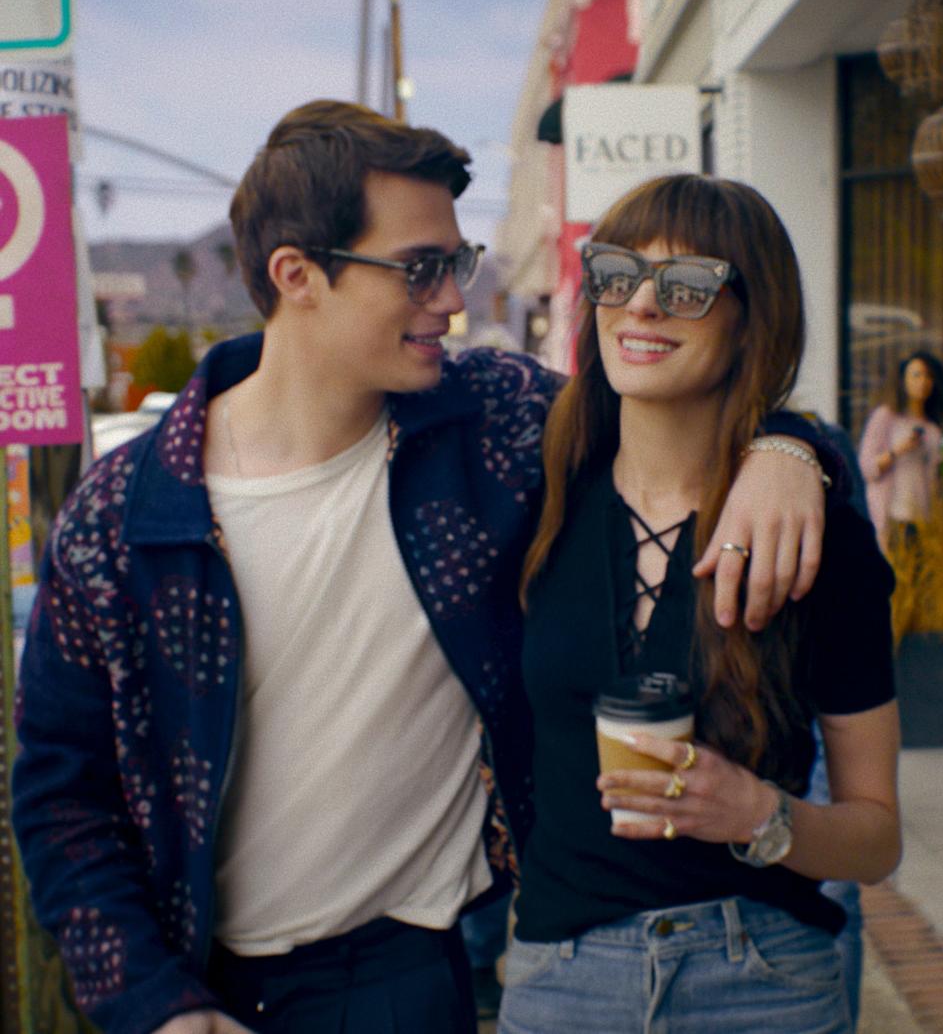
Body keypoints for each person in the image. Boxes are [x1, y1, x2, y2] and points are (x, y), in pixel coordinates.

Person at [13, 103, 836, 1034]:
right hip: (197, 988)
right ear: (298, 276)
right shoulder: (121, 519)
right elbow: (59, 793)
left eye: (457, 262)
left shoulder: (497, 425)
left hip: (413, 976)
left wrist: (791, 447)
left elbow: (684, 405)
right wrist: (153, 1004)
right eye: (420, 269)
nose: (454, 300)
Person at [499, 174, 901, 1033]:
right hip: (564, 979)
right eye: (616, 274)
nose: (640, 307)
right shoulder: (535, 503)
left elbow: (877, 837)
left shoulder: (819, 542)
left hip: (762, 977)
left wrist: (760, 816)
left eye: (687, 286)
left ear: (750, 318)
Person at [859, 350, 943, 643]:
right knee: (893, 589)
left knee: (921, 591)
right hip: (893, 517)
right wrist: (899, 450)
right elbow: (867, 467)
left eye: (928, 375)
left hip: (924, 518)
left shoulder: (932, 428)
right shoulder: (886, 418)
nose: (923, 382)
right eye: (916, 374)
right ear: (902, 380)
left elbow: (938, 478)